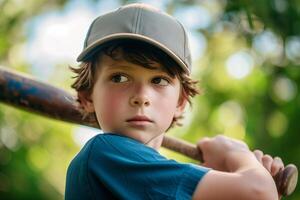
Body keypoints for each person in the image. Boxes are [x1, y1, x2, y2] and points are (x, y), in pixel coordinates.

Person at [65, 3, 284, 200]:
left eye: (159, 80)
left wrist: (236, 177)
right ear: (87, 96)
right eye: (119, 77)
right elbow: (258, 193)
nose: (141, 96)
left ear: (180, 101)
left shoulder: (149, 178)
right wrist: (238, 156)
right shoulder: (104, 154)